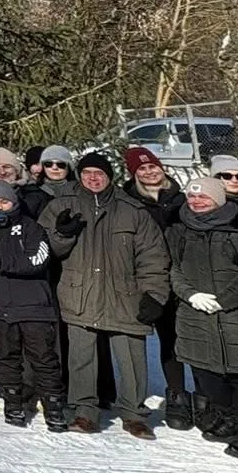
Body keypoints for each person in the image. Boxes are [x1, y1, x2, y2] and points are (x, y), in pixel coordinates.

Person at [44, 149, 170, 438]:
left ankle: (133, 413)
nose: (93, 178)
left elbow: (153, 256)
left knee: (132, 358)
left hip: (125, 295)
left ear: (110, 177)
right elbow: (45, 250)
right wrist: (62, 234)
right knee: (81, 357)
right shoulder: (62, 205)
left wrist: (154, 294)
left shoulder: (132, 210)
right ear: (79, 176)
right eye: (87, 173)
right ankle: (84, 411)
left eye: (99, 174)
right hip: (79, 292)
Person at [166, 176, 238, 461]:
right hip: (195, 313)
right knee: (208, 372)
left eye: (203, 197)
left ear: (219, 199)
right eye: (192, 196)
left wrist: (224, 301)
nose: (196, 201)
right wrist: (190, 295)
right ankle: (227, 417)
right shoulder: (179, 230)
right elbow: (173, 269)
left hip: (237, 314)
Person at [0, 176, 67, 430]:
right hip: (3, 308)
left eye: (3, 201)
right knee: (7, 358)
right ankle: (12, 404)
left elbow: (38, 259)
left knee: (44, 359)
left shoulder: (31, 227)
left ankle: (54, 407)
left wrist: (3, 263)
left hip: (35, 306)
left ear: (13, 201)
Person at [121, 145, 193, 430]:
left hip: (185, 277)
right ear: (134, 174)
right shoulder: (129, 202)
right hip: (151, 278)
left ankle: (203, 398)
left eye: (153, 166)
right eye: (142, 169)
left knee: (192, 339)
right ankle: (176, 394)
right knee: (168, 339)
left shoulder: (182, 198)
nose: (149, 172)